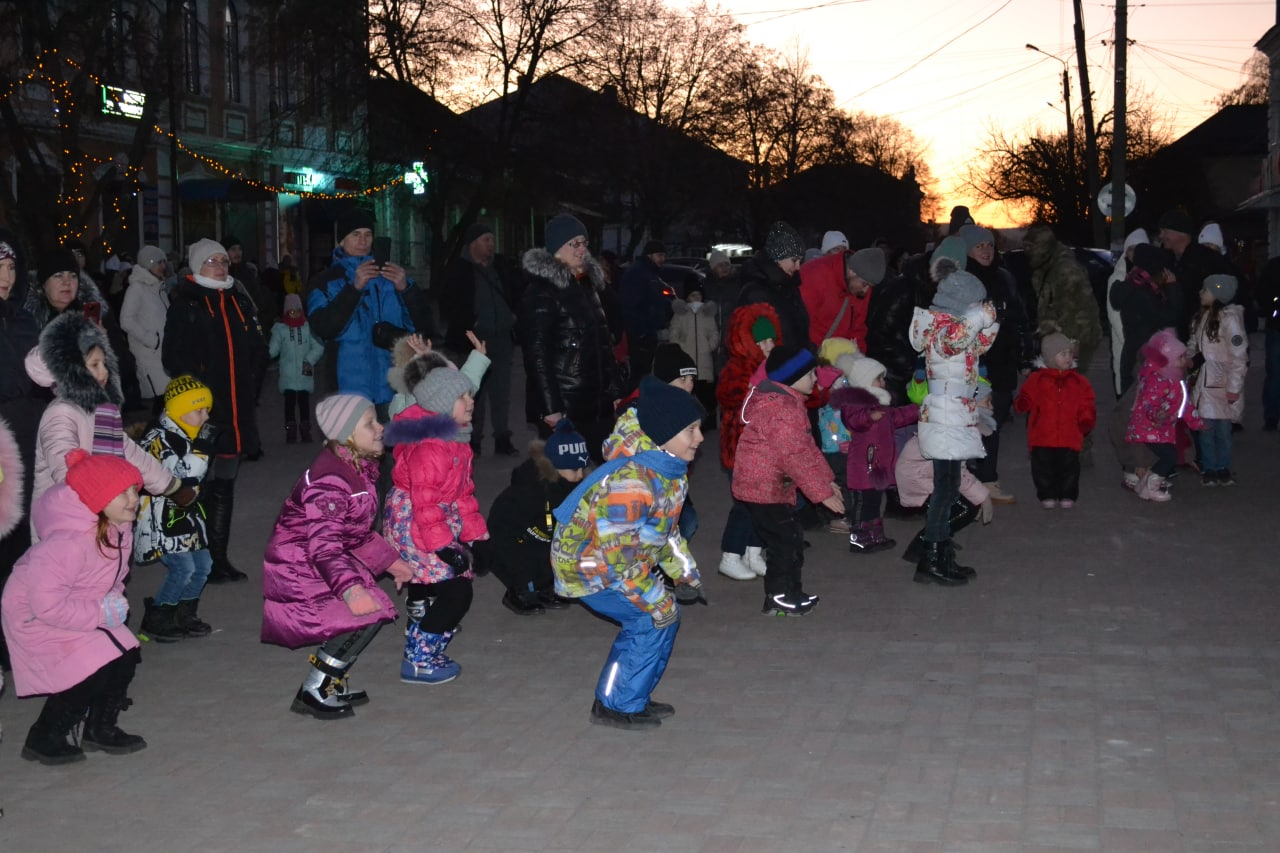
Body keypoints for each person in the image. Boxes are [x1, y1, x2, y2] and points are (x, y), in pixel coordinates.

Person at [549, 375, 704, 728]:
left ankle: (634, 696)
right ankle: (613, 705)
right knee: (651, 618)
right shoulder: (631, 484)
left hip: (617, 560)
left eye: (698, 428)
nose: (699, 438)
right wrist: (655, 597)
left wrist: (684, 573)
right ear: (665, 434)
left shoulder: (670, 470)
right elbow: (618, 558)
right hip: (587, 566)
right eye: (690, 431)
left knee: (662, 615)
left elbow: (664, 532)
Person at [262, 395, 414, 719]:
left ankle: (331, 681)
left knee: (368, 611)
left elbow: (354, 532)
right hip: (299, 564)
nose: (380, 428)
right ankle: (316, 688)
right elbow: (325, 545)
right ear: (345, 436)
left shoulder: (356, 468)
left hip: (318, 558)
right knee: (363, 614)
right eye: (369, 424)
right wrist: (351, 590)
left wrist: (390, 561)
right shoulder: (331, 479)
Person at [2, 450, 147, 764]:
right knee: (88, 669)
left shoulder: (119, 530)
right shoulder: (66, 544)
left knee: (125, 658)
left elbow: (112, 577)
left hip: (82, 605)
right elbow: (46, 605)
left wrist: (110, 603)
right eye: (122, 492)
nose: (133, 498)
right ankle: (45, 735)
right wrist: (99, 613)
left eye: (134, 489)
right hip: (34, 616)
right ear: (97, 499)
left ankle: (99, 728)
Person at [163, 238, 266, 583]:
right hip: (206, 413)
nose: (221, 266)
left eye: (224, 260)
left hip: (237, 413)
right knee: (197, 485)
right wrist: (202, 389)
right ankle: (194, 558)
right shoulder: (186, 303)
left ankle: (218, 559)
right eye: (212, 261)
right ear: (197, 266)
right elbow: (174, 359)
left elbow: (255, 347)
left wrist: (253, 378)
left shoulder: (237, 298)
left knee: (224, 484)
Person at [383, 352, 488, 685]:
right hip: (414, 521)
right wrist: (445, 548)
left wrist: (475, 537)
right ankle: (418, 659)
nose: (470, 402)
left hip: (433, 518)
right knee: (457, 590)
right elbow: (425, 503)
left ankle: (426, 639)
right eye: (462, 397)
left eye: (470, 395)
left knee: (452, 583)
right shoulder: (432, 448)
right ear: (443, 404)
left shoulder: (456, 441)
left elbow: (463, 494)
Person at [26, 310, 192, 521]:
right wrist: (99, 495)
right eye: (95, 365)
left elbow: (128, 452)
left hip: (108, 509)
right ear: (72, 370)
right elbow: (64, 467)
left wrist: (170, 486)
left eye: (104, 363)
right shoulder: (61, 413)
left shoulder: (100, 410)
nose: (104, 372)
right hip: (67, 521)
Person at [733, 345, 845, 615]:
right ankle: (779, 597)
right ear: (792, 378)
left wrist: (826, 480)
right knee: (785, 542)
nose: (816, 379)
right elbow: (794, 455)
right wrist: (821, 493)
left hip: (769, 484)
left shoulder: (789, 403)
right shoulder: (782, 409)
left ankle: (788, 593)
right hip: (762, 487)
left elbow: (806, 449)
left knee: (788, 539)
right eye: (811, 375)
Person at [909, 259, 998, 586]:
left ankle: (939, 553)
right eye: (975, 304)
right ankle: (931, 558)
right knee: (945, 490)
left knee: (948, 488)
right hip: (945, 416)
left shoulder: (955, 326)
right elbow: (956, 341)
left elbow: (977, 344)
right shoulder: (942, 330)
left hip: (953, 415)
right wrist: (978, 317)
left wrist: (989, 322)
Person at [521, 214, 623, 462]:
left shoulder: (586, 285)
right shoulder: (542, 290)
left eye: (583, 242)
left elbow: (603, 344)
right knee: (563, 478)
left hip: (596, 402)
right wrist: (551, 407)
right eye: (574, 244)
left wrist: (615, 389)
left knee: (598, 475)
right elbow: (537, 355)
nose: (582, 249)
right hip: (567, 403)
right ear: (557, 249)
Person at [307, 209, 431, 409]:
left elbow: (424, 327)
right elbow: (323, 328)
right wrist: (354, 289)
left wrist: (407, 291)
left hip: (393, 389)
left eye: (368, 234)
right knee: (353, 441)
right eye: (355, 234)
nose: (363, 240)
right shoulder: (325, 281)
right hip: (349, 390)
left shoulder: (392, 275)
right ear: (341, 241)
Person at [133, 375, 218, 642]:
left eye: (207, 410)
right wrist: (203, 450)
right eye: (199, 410)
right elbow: (179, 474)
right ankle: (158, 616)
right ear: (180, 410)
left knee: (203, 565)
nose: (205, 417)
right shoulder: (158, 439)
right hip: (161, 517)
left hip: (187, 516)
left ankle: (184, 613)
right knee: (183, 568)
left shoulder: (188, 433)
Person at [481, 419, 589, 616]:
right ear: (555, 466)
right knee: (525, 557)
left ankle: (546, 587)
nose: (580, 475)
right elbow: (503, 524)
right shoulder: (531, 488)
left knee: (558, 550)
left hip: (543, 533)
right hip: (513, 535)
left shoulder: (571, 483)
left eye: (583, 468)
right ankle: (520, 591)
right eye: (575, 470)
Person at [960, 224, 1032, 505]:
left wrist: (1025, 353)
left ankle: (988, 478)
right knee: (966, 422)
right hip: (970, 362)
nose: (986, 251)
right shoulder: (960, 280)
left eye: (989, 245)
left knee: (994, 419)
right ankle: (965, 478)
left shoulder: (1004, 277)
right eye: (980, 246)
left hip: (1001, 360)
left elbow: (1020, 316)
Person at [440, 222, 518, 456]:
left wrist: (513, 316)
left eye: (492, 240)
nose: (491, 245)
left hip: (502, 338)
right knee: (475, 392)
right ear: (472, 244)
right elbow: (449, 304)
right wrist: (468, 324)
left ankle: (502, 437)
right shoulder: (459, 270)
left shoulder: (501, 267)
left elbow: (515, 291)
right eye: (485, 240)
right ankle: (473, 440)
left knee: (501, 392)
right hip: (474, 341)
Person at [715, 305, 781, 580]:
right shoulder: (738, 368)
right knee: (745, 503)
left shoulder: (771, 367)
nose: (769, 345)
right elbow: (730, 396)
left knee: (763, 501)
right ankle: (730, 555)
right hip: (741, 449)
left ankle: (753, 553)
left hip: (764, 449)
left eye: (771, 339)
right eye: (763, 341)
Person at [834, 356, 918, 553]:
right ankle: (859, 537)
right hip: (863, 467)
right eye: (878, 379)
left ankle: (874, 535)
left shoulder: (881, 406)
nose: (883, 383)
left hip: (878, 466)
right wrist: (868, 417)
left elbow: (896, 417)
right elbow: (853, 421)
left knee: (874, 503)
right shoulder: (856, 403)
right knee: (862, 504)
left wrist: (917, 411)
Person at [1013, 333, 1097, 509]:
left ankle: (1067, 494)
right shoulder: (1037, 380)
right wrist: (1023, 403)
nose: (1068, 357)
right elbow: (1026, 396)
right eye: (1063, 354)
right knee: (1043, 468)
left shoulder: (1079, 381)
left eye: (1069, 353)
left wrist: (1086, 418)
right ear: (1051, 357)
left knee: (1069, 468)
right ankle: (1047, 493)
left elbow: (1087, 402)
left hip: (1069, 435)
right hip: (1042, 435)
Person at [1125, 329, 1203, 502]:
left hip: (1160, 428)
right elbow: (1148, 403)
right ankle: (1151, 488)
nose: (1184, 361)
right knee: (1169, 457)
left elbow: (1184, 405)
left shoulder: (1175, 379)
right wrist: (1156, 415)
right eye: (1180, 358)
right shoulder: (1157, 380)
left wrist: (1196, 422)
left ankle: (1144, 485)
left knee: (1168, 456)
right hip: (1149, 428)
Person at [894, 432, 992, 564]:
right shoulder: (954, 426)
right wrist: (983, 497)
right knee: (967, 508)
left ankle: (940, 540)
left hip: (923, 472)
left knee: (964, 499)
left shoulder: (958, 420)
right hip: (919, 476)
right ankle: (924, 545)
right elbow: (955, 473)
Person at [1187, 275, 1247, 485]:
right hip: (1204, 385)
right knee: (1205, 430)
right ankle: (1209, 468)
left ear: (1218, 295)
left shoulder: (1230, 320)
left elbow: (1238, 357)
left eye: (1206, 290)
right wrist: (1188, 361)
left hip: (1222, 385)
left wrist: (1234, 387)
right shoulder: (1200, 318)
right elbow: (1194, 344)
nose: (1201, 293)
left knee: (1222, 431)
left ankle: (1222, 466)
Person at [1023, 224, 1101, 375]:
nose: (1027, 252)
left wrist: (1072, 343)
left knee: (1070, 383)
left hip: (1075, 336)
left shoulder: (1066, 270)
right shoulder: (1047, 265)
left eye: (1030, 247)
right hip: (1060, 336)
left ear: (1042, 248)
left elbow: (1078, 310)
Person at [1110, 243, 1178, 396]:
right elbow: (1170, 317)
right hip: (1144, 359)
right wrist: (1173, 288)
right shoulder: (1145, 294)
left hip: (1133, 354)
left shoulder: (1133, 285)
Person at [737, 222, 810, 354]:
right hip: (776, 370)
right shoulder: (756, 293)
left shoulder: (790, 286)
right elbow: (758, 348)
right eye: (794, 260)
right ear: (778, 258)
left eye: (800, 261)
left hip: (796, 366)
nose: (798, 267)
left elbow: (799, 334)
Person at [1156, 209, 1228, 339]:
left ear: (1180, 233)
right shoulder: (1167, 260)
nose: (1160, 236)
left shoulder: (1208, 260)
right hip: (1180, 335)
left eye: (1164, 231)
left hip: (1206, 336)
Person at [800, 247, 886, 351]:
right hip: (807, 353)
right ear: (851, 271)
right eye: (865, 284)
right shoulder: (814, 276)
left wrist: (858, 356)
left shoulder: (862, 282)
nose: (866, 290)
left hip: (834, 356)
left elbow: (857, 328)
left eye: (870, 286)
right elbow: (798, 325)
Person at [118, 245, 171, 408]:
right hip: (149, 356)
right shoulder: (137, 289)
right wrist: (151, 340)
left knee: (167, 401)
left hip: (163, 354)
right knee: (157, 403)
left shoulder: (159, 288)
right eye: (158, 262)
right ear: (148, 265)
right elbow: (126, 320)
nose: (163, 266)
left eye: (163, 262)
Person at [269, 294, 325, 444]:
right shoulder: (281, 330)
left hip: (303, 374)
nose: (295, 314)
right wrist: (264, 353)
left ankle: (305, 429)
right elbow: (273, 349)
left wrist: (309, 359)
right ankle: (291, 430)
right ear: (286, 312)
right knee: (289, 403)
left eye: (297, 311)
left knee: (304, 402)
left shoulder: (308, 328)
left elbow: (318, 346)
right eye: (291, 311)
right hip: (287, 375)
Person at [620, 240, 672, 383]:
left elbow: (656, 301)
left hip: (648, 333)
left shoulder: (650, 273)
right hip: (641, 335)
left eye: (663, 255)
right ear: (650, 255)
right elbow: (631, 305)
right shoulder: (638, 273)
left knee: (645, 372)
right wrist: (641, 332)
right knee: (640, 374)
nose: (663, 259)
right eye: (659, 255)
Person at [1105, 229, 1149, 397]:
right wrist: (1136, 346)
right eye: (1133, 249)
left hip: (1147, 353)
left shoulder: (1150, 277)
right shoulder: (1117, 279)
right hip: (1128, 351)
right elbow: (1115, 317)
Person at [667, 283, 719, 421]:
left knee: (706, 394)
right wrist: (681, 347)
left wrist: (709, 345)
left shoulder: (707, 314)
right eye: (693, 295)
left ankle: (707, 420)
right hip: (687, 360)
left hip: (704, 360)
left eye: (699, 294)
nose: (697, 297)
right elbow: (673, 333)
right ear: (687, 298)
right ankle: (688, 420)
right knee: (688, 392)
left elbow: (714, 333)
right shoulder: (681, 314)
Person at [1258, 256, 1280, 431]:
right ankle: (1271, 416)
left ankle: (1271, 416)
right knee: (1275, 374)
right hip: (1276, 326)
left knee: (1274, 374)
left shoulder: (1273, 265)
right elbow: (1263, 293)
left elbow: (1262, 292)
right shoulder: (1274, 266)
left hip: (1276, 326)